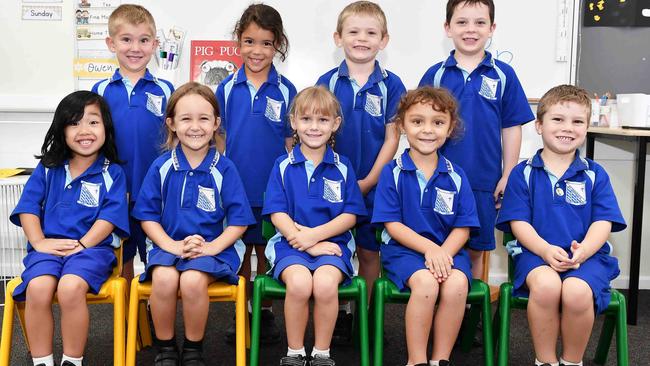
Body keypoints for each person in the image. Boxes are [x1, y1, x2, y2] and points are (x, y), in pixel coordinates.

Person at [496, 85, 626, 366]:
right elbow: (518, 223)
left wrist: (585, 251)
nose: (568, 128)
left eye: (577, 121)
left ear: (587, 128)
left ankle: (571, 361)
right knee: (546, 286)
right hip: (535, 255)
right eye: (558, 119)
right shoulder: (523, 173)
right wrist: (544, 250)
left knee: (577, 292)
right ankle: (545, 361)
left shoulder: (595, 174)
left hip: (587, 258)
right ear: (539, 125)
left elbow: (603, 222)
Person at [132, 82, 255, 366]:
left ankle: (193, 349)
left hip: (216, 250)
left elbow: (238, 223)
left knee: (191, 279)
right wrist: (172, 245)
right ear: (171, 124)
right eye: (186, 118)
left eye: (204, 118)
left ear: (216, 123)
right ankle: (165, 347)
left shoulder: (225, 168)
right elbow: (148, 217)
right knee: (163, 279)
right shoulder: (161, 166)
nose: (195, 126)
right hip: (169, 246)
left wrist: (211, 248)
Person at [10, 90, 129, 366]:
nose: (83, 130)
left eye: (92, 122)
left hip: (92, 251)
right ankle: (42, 360)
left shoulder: (113, 173)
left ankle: (72, 361)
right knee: (38, 288)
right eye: (74, 123)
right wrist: (39, 242)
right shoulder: (49, 168)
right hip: (48, 249)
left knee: (70, 287)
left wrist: (83, 244)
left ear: (106, 128)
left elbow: (108, 219)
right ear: (61, 130)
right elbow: (28, 207)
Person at [419, 0, 534, 279]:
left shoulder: (504, 75)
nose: (471, 29)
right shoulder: (435, 75)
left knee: (477, 249)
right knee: (439, 244)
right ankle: (441, 308)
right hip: (440, 179)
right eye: (462, 22)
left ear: (492, 28)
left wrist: (508, 174)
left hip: (484, 181)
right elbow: (418, 128)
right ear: (448, 28)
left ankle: (472, 315)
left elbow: (511, 127)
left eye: (480, 22)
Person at [315, 0, 405, 343]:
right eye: (353, 32)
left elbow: (392, 138)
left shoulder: (392, 84)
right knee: (332, 245)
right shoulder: (326, 82)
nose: (362, 39)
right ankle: (336, 312)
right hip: (331, 184)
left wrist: (370, 180)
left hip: (374, 183)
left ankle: (362, 317)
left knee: (369, 251)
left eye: (371, 33)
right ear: (338, 38)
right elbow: (315, 133)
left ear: (384, 40)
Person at [372, 87, 478, 366]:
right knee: (426, 283)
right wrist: (431, 250)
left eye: (438, 122)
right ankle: (416, 360)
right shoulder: (391, 172)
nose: (427, 130)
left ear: (450, 127)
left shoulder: (456, 176)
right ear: (402, 126)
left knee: (456, 285)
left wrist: (443, 253)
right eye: (417, 121)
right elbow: (392, 225)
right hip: (404, 253)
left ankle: (440, 359)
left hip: (448, 252)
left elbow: (463, 227)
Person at [263, 86, 367, 366]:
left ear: (335, 124)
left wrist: (317, 238)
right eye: (306, 119)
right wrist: (307, 240)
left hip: (334, 248)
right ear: (294, 122)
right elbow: (277, 214)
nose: (314, 127)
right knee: (298, 284)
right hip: (290, 245)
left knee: (323, 285)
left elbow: (350, 216)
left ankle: (322, 353)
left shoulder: (343, 167)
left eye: (322, 120)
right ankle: (295, 352)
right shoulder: (282, 165)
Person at [215, 3, 296, 344]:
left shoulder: (287, 90)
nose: (257, 50)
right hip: (235, 190)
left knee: (265, 253)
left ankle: (263, 309)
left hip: (271, 192)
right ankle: (241, 308)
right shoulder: (226, 89)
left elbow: (292, 143)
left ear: (278, 43)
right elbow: (218, 140)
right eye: (249, 41)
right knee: (236, 254)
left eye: (266, 42)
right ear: (238, 40)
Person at [92, 4, 174, 282]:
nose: (135, 48)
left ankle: (152, 310)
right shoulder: (100, 91)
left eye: (143, 40)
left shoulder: (166, 90)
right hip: (117, 192)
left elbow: (175, 140)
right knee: (122, 257)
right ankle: (127, 318)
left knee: (159, 255)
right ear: (111, 43)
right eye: (126, 39)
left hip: (156, 191)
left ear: (154, 45)